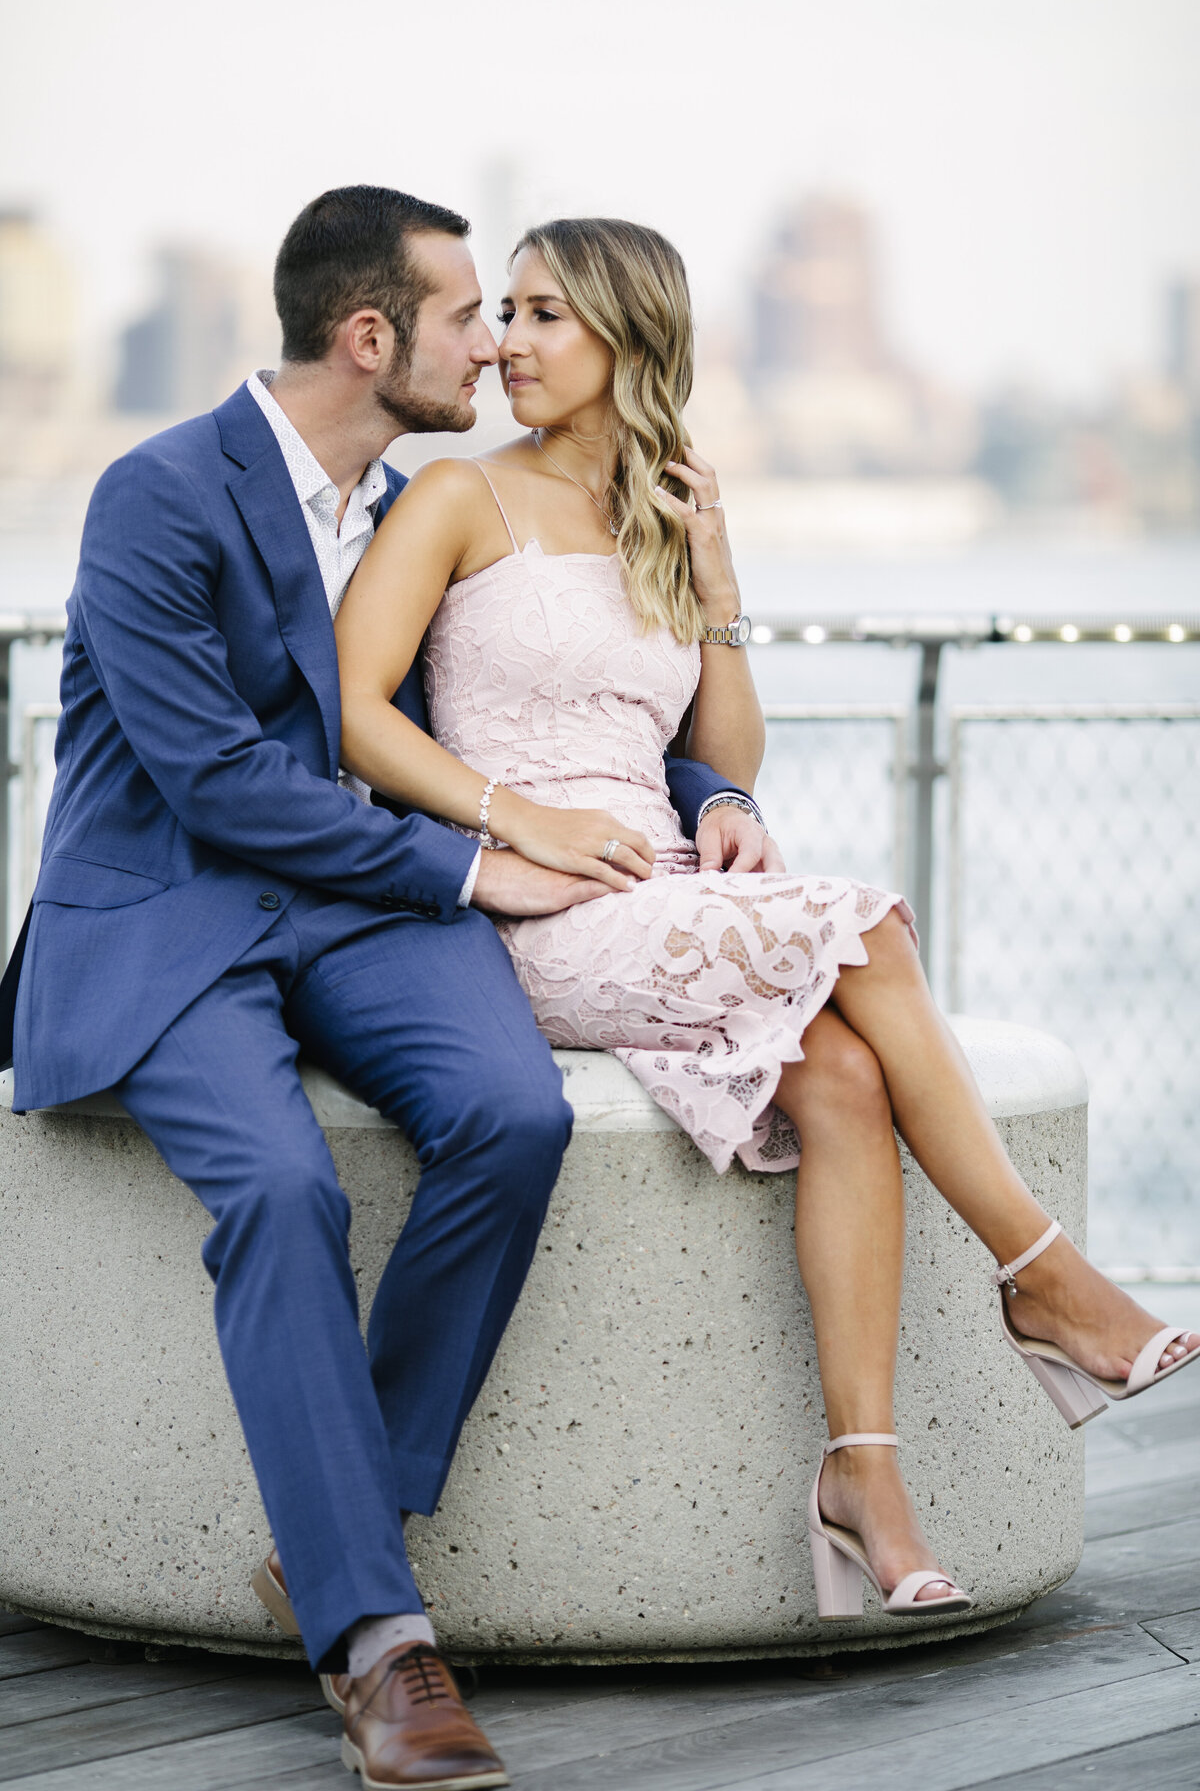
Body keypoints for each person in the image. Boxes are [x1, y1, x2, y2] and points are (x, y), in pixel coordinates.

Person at [0, 188, 772, 1791]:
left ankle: (341, 1517)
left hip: (360, 909)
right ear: (371, 339)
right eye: (468, 317)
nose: (495, 344)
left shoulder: (421, 497)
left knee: (511, 1112)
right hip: (181, 912)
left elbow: (538, 692)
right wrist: (481, 865)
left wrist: (705, 781)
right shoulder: (157, 494)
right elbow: (215, 780)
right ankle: (375, 1638)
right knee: (283, 1185)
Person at [335, 215, 1200, 1625]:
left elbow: (722, 745)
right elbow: (358, 715)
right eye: (507, 311)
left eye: (547, 316)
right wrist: (515, 817)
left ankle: (867, 1483)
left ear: (631, 336)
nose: (509, 343)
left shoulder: (664, 507)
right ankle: (1049, 1283)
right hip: (531, 910)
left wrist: (719, 603)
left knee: (847, 1076)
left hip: (662, 885)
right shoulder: (452, 498)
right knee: (867, 931)